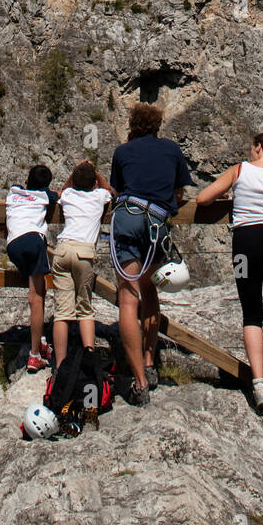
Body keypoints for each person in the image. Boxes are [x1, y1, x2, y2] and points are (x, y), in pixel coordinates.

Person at [195, 132, 263, 418]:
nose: (250, 151)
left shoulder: (239, 170)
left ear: (258, 147)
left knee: (251, 313)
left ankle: (258, 384)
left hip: (245, 245)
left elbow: (202, 199)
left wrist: (227, 195)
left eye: (252, 146)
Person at [109, 103, 192, 406]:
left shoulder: (122, 152)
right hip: (157, 222)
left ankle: (139, 383)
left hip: (127, 217)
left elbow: (117, 190)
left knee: (128, 299)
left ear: (133, 124)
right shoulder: (171, 150)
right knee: (150, 290)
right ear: (158, 125)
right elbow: (180, 192)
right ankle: (148, 360)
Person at [51, 160, 113, 368]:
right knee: (85, 308)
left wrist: (75, 170)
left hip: (62, 250)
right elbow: (110, 191)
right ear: (94, 183)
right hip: (84, 253)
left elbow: (64, 189)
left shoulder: (68, 195)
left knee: (62, 312)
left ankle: (59, 365)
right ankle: (89, 358)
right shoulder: (99, 196)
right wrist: (97, 173)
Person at [5, 164, 57, 371]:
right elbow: (55, 196)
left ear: (27, 180)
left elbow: (23, 185)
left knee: (38, 290)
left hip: (13, 245)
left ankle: (41, 339)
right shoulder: (46, 196)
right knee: (36, 298)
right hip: (33, 242)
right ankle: (35, 355)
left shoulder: (14, 191)